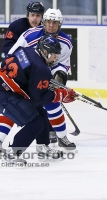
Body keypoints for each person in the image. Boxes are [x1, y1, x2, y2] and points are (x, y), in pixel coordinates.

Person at [0, 8, 75, 151]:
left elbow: (62, 64)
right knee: (18, 108)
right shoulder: (29, 35)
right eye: (48, 22)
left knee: (49, 107)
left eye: (55, 22)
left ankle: (58, 138)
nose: (51, 25)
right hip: (23, 80)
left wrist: (58, 77)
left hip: (41, 77)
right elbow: (12, 54)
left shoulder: (66, 42)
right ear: (43, 22)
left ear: (60, 24)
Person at [0, 1, 45, 153]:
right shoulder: (17, 26)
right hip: (15, 76)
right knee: (19, 109)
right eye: (33, 15)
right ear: (27, 15)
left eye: (38, 16)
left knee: (36, 110)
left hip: (29, 77)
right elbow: (7, 49)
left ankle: (43, 144)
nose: (35, 19)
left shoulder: (45, 30)